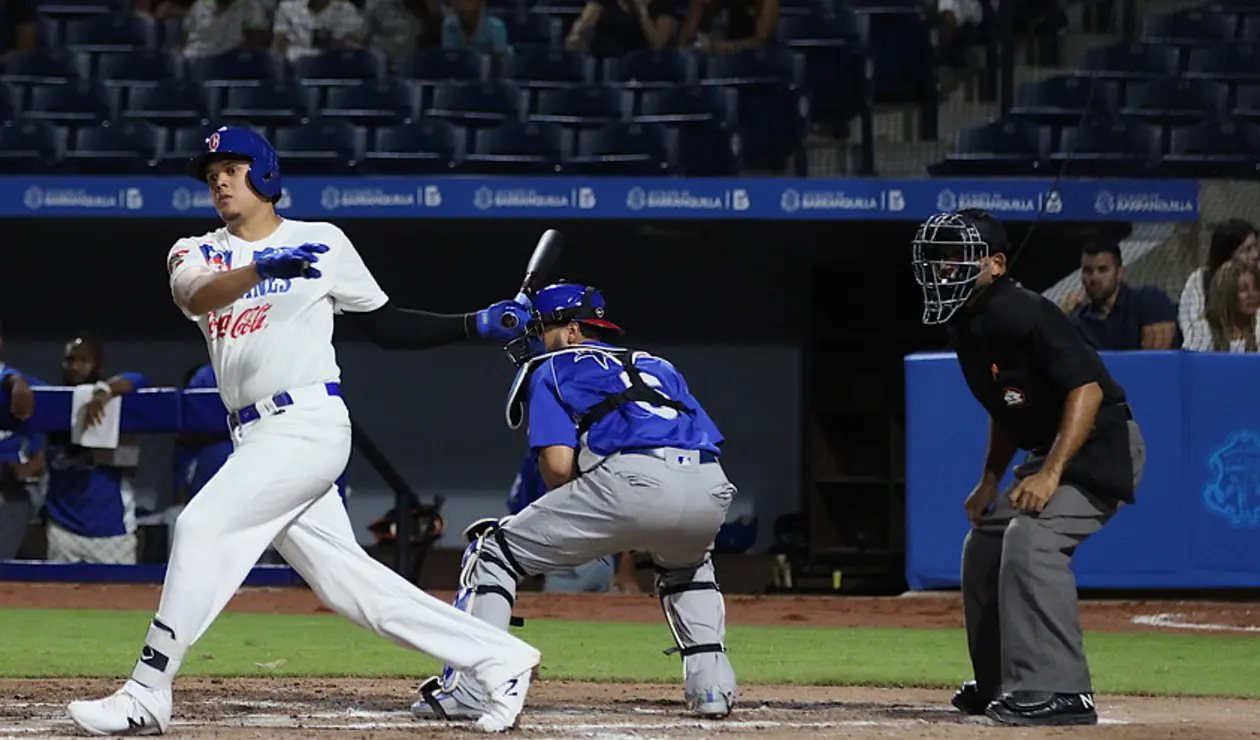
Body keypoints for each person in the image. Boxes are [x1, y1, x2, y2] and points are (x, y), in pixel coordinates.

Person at [67, 125, 540, 736]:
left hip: (307, 422)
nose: (219, 182)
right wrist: (259, 270)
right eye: (211, 176)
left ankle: (147, 689)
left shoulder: (323, 241)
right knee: (350, 589)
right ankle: (498, 658)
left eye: (231, 171)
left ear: (265, 175)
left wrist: (475, 324)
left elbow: (388, 326)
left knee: (201, 525)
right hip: (253, 434)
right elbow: (197, 294)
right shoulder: (196, 249)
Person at [411, 281, 738, 722]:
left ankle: (473, 689)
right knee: (688, 568)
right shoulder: (658, 364)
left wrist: (600, 514)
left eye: (543, 329)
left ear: (570, 330)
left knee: (492, 552)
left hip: (633, 481)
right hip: (710, 485)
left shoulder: (552, 367)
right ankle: (712, 690)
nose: (538, 340)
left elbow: (559, 469)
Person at [911, 209, 1146, 727]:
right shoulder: (970, 325)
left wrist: (1052, 471)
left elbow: (1086, 390)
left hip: (1099, 443)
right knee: (985, 544)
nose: (945, 265)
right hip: (1056, 446)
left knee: (1031, 540)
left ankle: (1062, 690)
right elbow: (1006, 408)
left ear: (995, 264)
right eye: (942, 255)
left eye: (959, 255)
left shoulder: (1022, 311)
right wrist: (991, 479)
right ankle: (1003, 684)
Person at [43, 335, 150, 565]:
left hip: (112, 530)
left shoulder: (117, 400)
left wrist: (103, 392)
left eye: (83, 360)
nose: (75, 367)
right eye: (70, 360)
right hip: (63, 527)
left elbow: (140, 379)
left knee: (119, 599)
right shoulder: (51, 402)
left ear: (99, 365)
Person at [506, 448, 617, 593]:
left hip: (599, 555)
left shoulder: (601, 450)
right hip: (559, 560)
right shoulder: (535, 459)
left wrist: (626, 571)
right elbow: (519, 513)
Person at [1060, 241, 1176, 351]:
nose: (1094, 278)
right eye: (1088, 271)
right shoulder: (1078, 321)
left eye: (1103, 270)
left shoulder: (1148, 299)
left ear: (1120, 273)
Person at [1177, 219, 1259, 340]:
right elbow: (1193, 329)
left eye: (1256, 247)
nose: (1255, 255)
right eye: (1246, 250)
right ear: (1226, 256)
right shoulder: (1200, 280)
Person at [1182, 261, 1260, 353]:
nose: (1253, 295)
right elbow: (1194, 363)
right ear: (1227, 294)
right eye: (1243, 289)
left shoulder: (1257, 327)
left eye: (1256, 288)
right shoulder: (1205, 330)